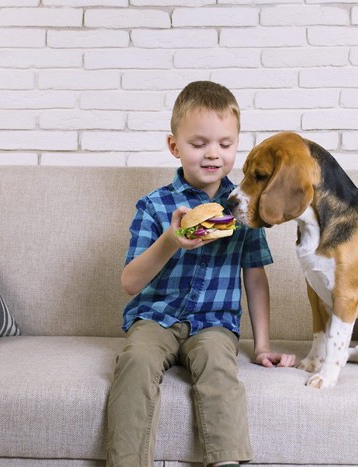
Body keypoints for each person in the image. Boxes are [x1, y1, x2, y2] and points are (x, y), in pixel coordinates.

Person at [106, 81, 296, 467]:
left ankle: (226, 460)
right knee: (136, 362)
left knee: (218, 367)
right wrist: (172, 240)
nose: (213, 154)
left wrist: (261, 345)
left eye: (225, 144)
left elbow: (255, 279)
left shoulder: (243, 208)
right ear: (175, 146)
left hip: (214, 323)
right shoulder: (154, 205)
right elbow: (130, 282)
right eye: (199, 144)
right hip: (155, 319)